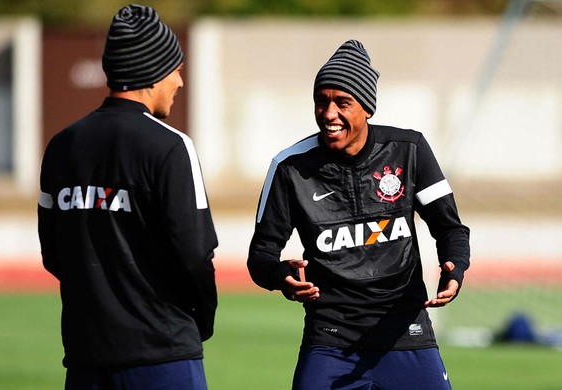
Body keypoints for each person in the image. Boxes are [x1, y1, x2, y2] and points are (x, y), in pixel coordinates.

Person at [247, 39, 470, 389]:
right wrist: (280, 277)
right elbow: (260, 256)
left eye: (342, 103)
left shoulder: (410, 151)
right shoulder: (289, 167)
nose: (329, 114)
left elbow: (451, 229)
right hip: (330, 339)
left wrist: (455, 267)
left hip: (404, 330)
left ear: (366, 107)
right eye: (321, 102)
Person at [38, 5, 218, 389]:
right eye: (177, 70)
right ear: (153, 74)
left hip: (86, 359)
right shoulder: (171, 146)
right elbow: (195, 254)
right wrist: (202, 318)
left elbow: (54, 254)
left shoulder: (61, 146)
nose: (180, 83)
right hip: (162, 354)